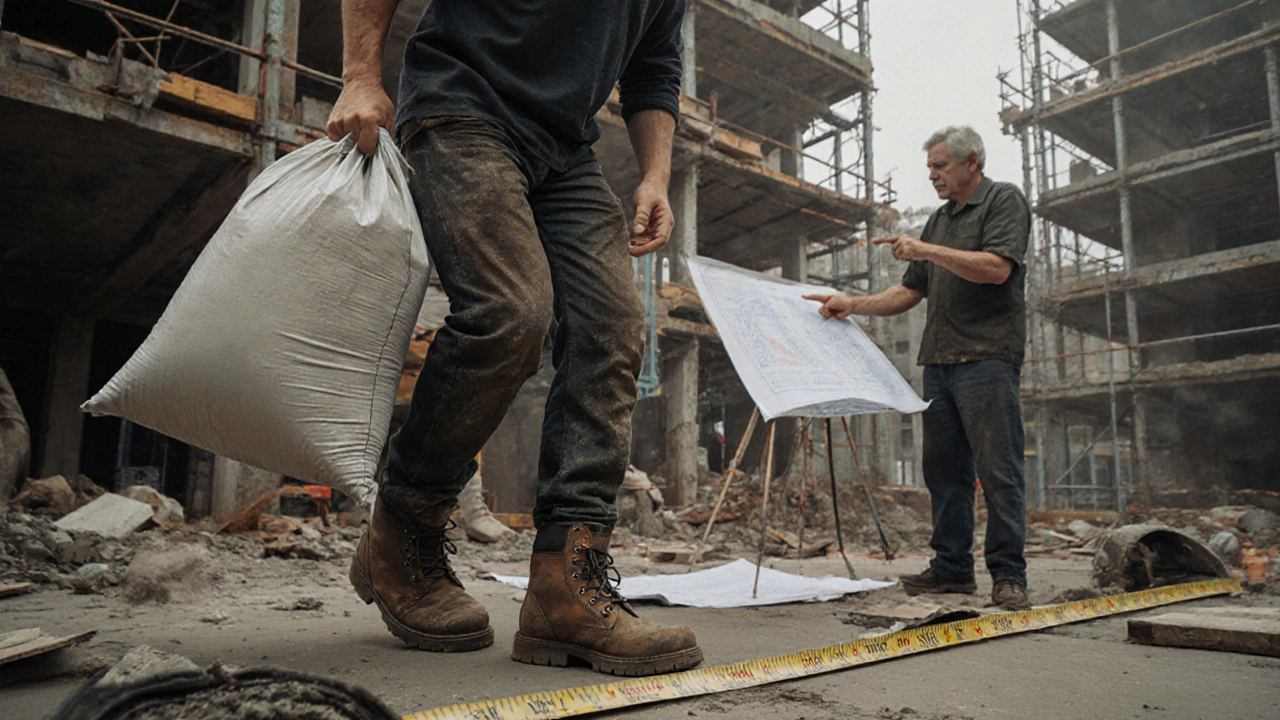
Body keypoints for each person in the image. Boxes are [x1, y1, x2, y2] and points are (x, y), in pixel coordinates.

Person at [325, 0, 703, 675]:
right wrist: (360, 74)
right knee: (512, 312)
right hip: (461, 106)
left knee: (613, 326)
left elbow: (653, 70)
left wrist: (654, 176)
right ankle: (403, 526)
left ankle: (566, 585)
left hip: (563, 147)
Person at [805, 126, 1032, 610]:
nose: (932, 175)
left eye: (940, 166)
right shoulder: (938, 220)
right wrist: (854, 304)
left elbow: (996, 269)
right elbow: (909, 292)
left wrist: (926, 249)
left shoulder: (1003, 201)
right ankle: (952, 570)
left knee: (999, 469)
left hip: (988, 358)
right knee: (944, 471)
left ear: (971, 161)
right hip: (940, 362)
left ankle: (1009, 575)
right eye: (930, 167)